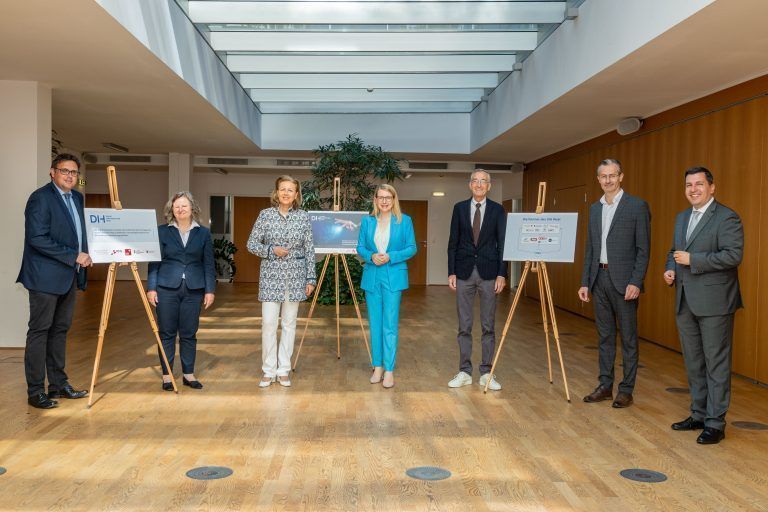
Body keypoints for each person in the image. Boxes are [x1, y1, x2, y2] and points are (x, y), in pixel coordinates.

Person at [664, 167, 743, 445]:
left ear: (712, 187)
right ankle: (698, 414)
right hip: (685, 299)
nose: (693, 189)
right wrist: (670, 268)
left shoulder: (726, 217)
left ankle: (715, 423)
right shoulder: (682, 217)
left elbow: (733, 256)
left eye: (699, 184)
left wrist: (693, 260)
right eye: (689, 184)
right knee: (694, 362)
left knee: (716, 364)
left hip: (715, 302)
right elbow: (674, 251)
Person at [17, 153, 92, 409]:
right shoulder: (40, 198)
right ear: (52, 172)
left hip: (68, 276)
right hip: (44, 277)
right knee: (40, 332)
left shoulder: (77, 198)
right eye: (64, 171)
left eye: (74, 172)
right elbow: (37, 238)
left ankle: (59, 385)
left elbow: (79, 236)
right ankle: (36, 391)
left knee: (59, 332)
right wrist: (74, 256)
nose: (70, 176)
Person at [578, 158, 650, 408]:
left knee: (628, 338)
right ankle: (605, 385)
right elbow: (590, 248)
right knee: (605, 337)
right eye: (603, 176)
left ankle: (626, 390)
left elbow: (643, 250)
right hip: (599, 280)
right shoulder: (595, 209)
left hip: (625, 283)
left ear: (621, 177)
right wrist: (585, 281)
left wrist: (636, 282)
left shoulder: (637, 206)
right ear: (598, 179)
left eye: (612, 175)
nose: (608, 180)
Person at [248, 175, 316, 388]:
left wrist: (310, 278)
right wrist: (271, 250)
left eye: (290, 190)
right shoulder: (265, 215)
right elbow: (251, 244)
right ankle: (268, 370)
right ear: (276, 192)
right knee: (268, 324)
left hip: (295, 277)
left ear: (297, 195)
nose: (286, 193)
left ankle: (283, 369)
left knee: (289, 324)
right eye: (282, 189)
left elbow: (309, 250)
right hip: (270, 277)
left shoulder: (303, 217)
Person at [147, 191, 215, 391]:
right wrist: (151, 287)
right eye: (176, 206)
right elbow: (154, 262)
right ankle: (167, 375)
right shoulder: (161, 231)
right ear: (172, 210)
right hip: (166, 288)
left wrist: (210, 290)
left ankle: (188, 374)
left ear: (192, 208)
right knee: (166, 333)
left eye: (184, 205)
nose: (180, 209)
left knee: (188, 333)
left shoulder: (203, 233)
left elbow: (208, 264)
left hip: (194, 289)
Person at [447, 169, 507, 391]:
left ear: (489, 186)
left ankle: (486, 372)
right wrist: (451, 272)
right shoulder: (459, 208)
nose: (479, 184)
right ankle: (464, 371)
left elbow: (503, 245)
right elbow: (453, 242)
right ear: (470, 184)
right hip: (463, 272)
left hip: (490, 274)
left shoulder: (498, 210)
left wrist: (502, 274)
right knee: (464, 325)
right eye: (476, 181)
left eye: (484, 181)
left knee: (488, 326)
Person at [357, 184, 417, 388]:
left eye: (388, 197)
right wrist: (370, 256)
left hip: (393, 275)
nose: (384, 201)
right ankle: (378, 367)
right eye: (380, 197)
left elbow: (412, 248)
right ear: (375, 200)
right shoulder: (367, 221)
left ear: (394, 200)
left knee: (389, 325)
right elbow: (360, 247)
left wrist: (391, 256)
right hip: (372, 275)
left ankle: (389, 370)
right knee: (375, 324)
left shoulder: (404, 221)